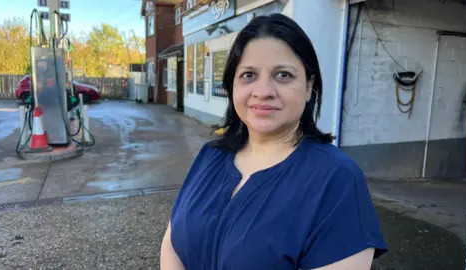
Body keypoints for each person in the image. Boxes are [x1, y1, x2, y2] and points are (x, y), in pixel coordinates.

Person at [160, 13, 387, 270]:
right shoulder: (211, 155)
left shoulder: (336, 178)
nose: (263, 91)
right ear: (232, 85)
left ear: (309, 86)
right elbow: (173, 239)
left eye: (283, 75)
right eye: (248, 75)